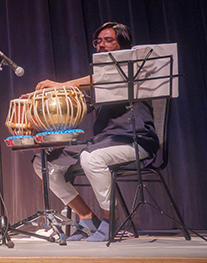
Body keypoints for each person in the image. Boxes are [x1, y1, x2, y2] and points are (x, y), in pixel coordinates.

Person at [31, 22, 159, 242]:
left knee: (91, 158)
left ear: (123, 45)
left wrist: (61, 85)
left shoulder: (136, 71)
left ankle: (111, 220)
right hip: (103, 142)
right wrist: (37, 110)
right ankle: (87, 218)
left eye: (109, 40)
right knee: (42, 163)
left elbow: (102, 80)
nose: (101, 45)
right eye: (98, 41)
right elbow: (75, 109)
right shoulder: (100, 84)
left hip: (136, 142)